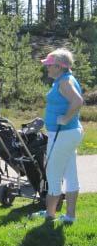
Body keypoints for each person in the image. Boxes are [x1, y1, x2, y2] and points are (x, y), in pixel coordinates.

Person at [31, 49, 84, 224]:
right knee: (70, 174)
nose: (46, 68)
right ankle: (69, 217)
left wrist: (65, 118)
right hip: (69, 133)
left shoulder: (65, 82)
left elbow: (77, 101)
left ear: (58, 66)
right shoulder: (63, 80)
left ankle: (50, 215)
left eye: (48, 65)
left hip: (63, 133)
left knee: (53, 173)